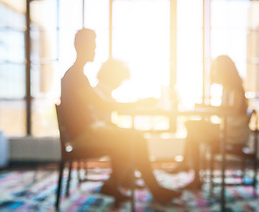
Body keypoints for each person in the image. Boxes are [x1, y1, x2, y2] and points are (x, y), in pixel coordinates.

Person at [60, 28, 181, 203]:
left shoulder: (76, 75)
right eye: (92, 45)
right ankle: (154, 189)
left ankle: (114, 183)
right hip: (83, 135)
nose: (94, 49)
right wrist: (138, 103)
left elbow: (100, 103)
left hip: (87, 131)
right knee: (135, 138)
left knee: (128, 137)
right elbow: (101, 104)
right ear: (80, 46)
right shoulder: (75, 76)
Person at [169, 55, 251, 190]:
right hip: (227, 129)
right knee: (192, 128)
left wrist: (206, 108)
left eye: (216, 69)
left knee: (192, 127)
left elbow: (229, 111)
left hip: (233, 133)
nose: (214, 72)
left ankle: (188, 167)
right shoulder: (228, 88)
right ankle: (190, 170)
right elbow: (225, 110)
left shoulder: (235, 89)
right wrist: (206, 107)